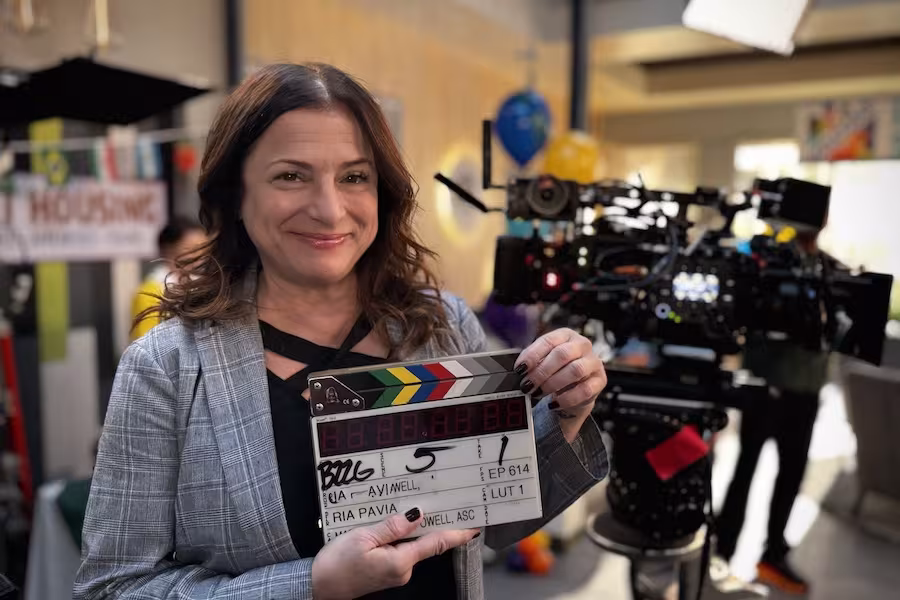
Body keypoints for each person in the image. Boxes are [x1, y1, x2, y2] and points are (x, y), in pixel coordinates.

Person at [74, 62, 610, 600]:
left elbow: (495, 520)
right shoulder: (166, 367)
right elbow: (111, 588)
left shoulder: (441, 326)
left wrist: (566, 411)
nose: (329, 211)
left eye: (354, 177)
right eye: (291, 176)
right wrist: (308, 586)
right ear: (236, 193)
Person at [715, 229, 831, 596]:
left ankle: (773, 554)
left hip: (806, 391)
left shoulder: (828, 268)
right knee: (745, 468)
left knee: (791, 474)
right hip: (766, 386)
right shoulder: (768, 261)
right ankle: (722, 551)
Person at [129, 217, 207, 340]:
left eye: (204, 249)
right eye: (193, 249)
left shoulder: (206, 285)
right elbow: (147, 341)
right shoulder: (151, 292)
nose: (201, 256)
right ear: (168, 250)